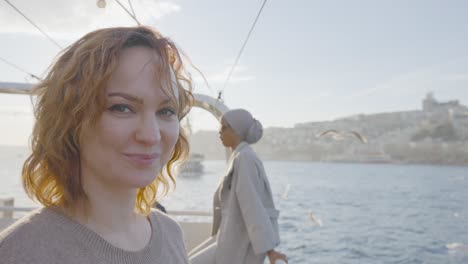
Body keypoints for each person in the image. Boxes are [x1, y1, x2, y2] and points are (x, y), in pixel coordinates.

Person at [0, 26, 194, 264]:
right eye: (122, 107)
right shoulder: (23, 252)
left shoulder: (171, 234)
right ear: (70, 119)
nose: (151, 135)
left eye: (166, 111)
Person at [189, 109, 288, 264]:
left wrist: (270, 250)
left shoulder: (245, 158)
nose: (219, 132)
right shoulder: (240, 156)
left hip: (241, 244)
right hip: (228, 238)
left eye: (223, 128)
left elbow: (253, 205)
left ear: (236, 130)